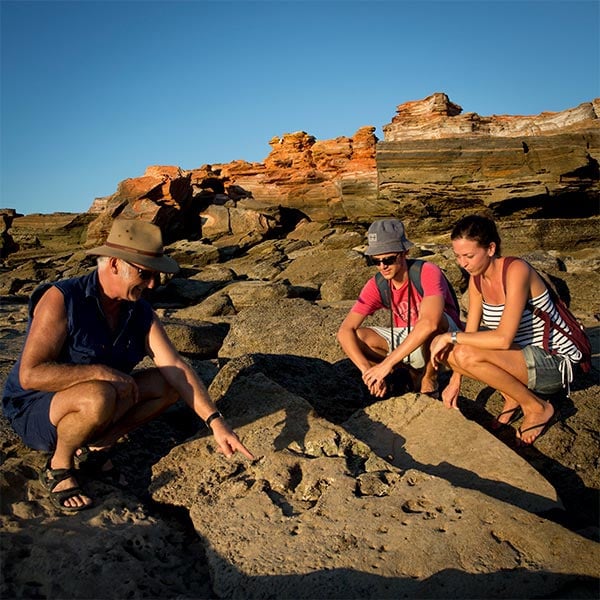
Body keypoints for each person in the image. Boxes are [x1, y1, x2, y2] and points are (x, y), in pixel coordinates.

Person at [2, 219, 254, 513]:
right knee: (99, 394)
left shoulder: (139, 312)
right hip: (36, 408)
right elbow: (31, 375)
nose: (151, 285)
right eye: (144, 274)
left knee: (166, 385)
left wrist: (216, 422)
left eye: (156, 277)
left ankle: (99, 445)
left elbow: (174, 365)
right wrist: (101, 373)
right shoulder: (62, 298)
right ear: (113, 264)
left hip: (100, 402)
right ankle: (60, 465)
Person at [429, 214, 582, 445]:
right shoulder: (477, 279)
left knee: (458, 348)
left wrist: (449, 335)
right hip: (521, 356)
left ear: (491, 248)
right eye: (458, 256)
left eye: (469, 256)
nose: (463, 263)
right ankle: (512, 395)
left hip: (556, 362)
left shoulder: (515, 270)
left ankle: (537, 407)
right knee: (450, 352)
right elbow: (469, 335)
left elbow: (503, 339)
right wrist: (455, 381)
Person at [337, 218, 462, 399]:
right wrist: (369, 371)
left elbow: (430, 323)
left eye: (388, 259)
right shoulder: (377, 284)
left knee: (434, 320)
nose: (382, 266)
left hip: (444, 341)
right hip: (406, 341)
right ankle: (407, 376)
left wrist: (386, 364)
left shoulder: (426, 272)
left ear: (405, 253)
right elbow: (345, 330)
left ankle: (429, 379)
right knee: (356, 336)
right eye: (376, 261)